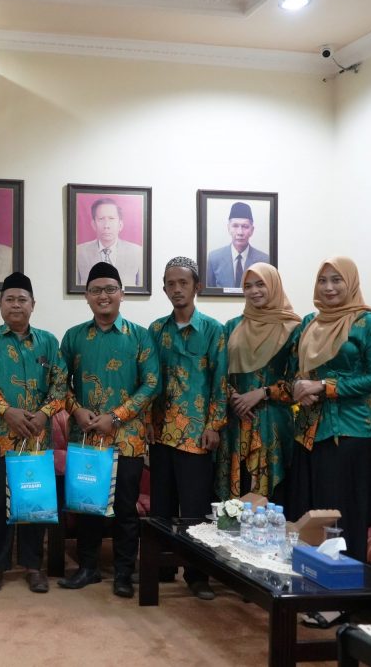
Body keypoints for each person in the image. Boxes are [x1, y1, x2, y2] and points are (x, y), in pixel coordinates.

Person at [58, 262, 159, 599]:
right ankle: (87, 568)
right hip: (86, 438)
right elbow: (60, 384)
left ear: (122, 294)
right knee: (87, 506)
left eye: (110, 289)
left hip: (126, 439)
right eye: (96, 290)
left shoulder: (140, 336)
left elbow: (152, 384)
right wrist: (77, 410)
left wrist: (116, 417)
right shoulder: (73, 337)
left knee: (126, 509)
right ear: (86, 296)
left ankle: (123, 573)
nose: (103, 296)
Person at [0, 272, 68, 594]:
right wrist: (6, 411)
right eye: (9, 299)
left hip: (38, 440)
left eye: (21, 299)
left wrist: (43, 415)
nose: (16, 305)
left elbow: (60, 385)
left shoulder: (49, 342)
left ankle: (33, 566)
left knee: (33, 503)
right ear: (0, 304)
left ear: (33, 305)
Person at [290, 257, 371, 564]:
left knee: (345, 518)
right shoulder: (309, 322)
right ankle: (310, 594)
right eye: (323, 280)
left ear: (351, 283)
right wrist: (299, 387)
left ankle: (344, 601)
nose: (329, 287)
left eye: (337, 280)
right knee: (309, 515)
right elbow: (297, 371)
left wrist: (324, 387)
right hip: (308, 433)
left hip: (350, 434)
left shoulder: (368, 323)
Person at [148, 256, 228, 601]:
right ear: (164, 288)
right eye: (170, 283)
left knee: (195, 507)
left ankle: (197, 574)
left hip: (197, 433)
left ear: (196, 286)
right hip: (162, 431)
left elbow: (220, 382)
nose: (177, 289)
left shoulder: (214, 330)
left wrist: (214, 425)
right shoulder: (155, 331)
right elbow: (149, 381)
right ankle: (162, 567)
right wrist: (149, 422)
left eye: (183, 283)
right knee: (161, 504)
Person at [214, 263, 301, 503]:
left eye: (260, 284)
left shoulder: (294, 328)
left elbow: (299, 383)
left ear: (274, 285)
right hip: (235, 421)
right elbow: (219, 373)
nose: (254, 291)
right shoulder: (231, 327)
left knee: (271, 501)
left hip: (272, 423)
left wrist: (262, 393)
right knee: (236, 495)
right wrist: (233, 397)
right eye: (248, 286)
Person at [74, 198, 144, 287]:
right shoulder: (79, 252)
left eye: (111, 218)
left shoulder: (137, 252)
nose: (106, 225)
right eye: (101, 219)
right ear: (94, 224)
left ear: (120, 225)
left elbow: (141, 290)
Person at [206, 202, 271, 288]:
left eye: (245, 226)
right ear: (228, 228)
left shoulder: (264, 260)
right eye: (235, 226)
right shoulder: (214, 258)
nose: (240, 232)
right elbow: (209, 293)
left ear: (252, 230)